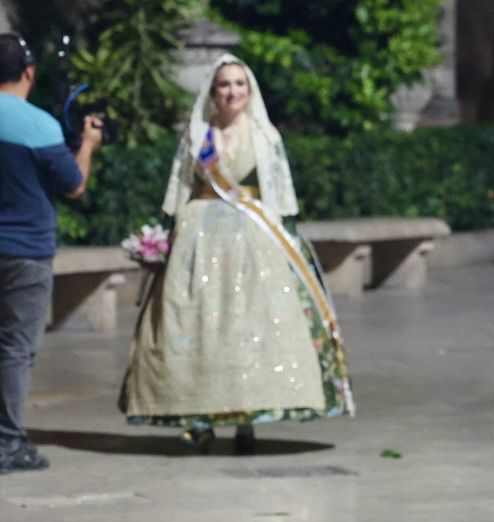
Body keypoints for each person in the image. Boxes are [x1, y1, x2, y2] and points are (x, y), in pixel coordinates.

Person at [119, 55, 353, 451]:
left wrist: (289, 240)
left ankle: (248, 419)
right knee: (196, 328)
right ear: (213, 91)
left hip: (253, 240)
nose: (232, 92)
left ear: (250, 90)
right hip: (198, 237)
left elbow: (280, 193)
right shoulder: (197, 136)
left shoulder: (265, 136)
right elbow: (179, 187)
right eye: (225, 85)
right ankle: (198, 418)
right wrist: (163, 236)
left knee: (250, 330)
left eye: (239, 84)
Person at [0, 32, 102, 473]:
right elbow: (74, 185)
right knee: (15, 349)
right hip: (25, 252)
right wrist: (88, 146)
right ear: (28, 73)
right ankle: (6, 444)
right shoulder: (38, 125)